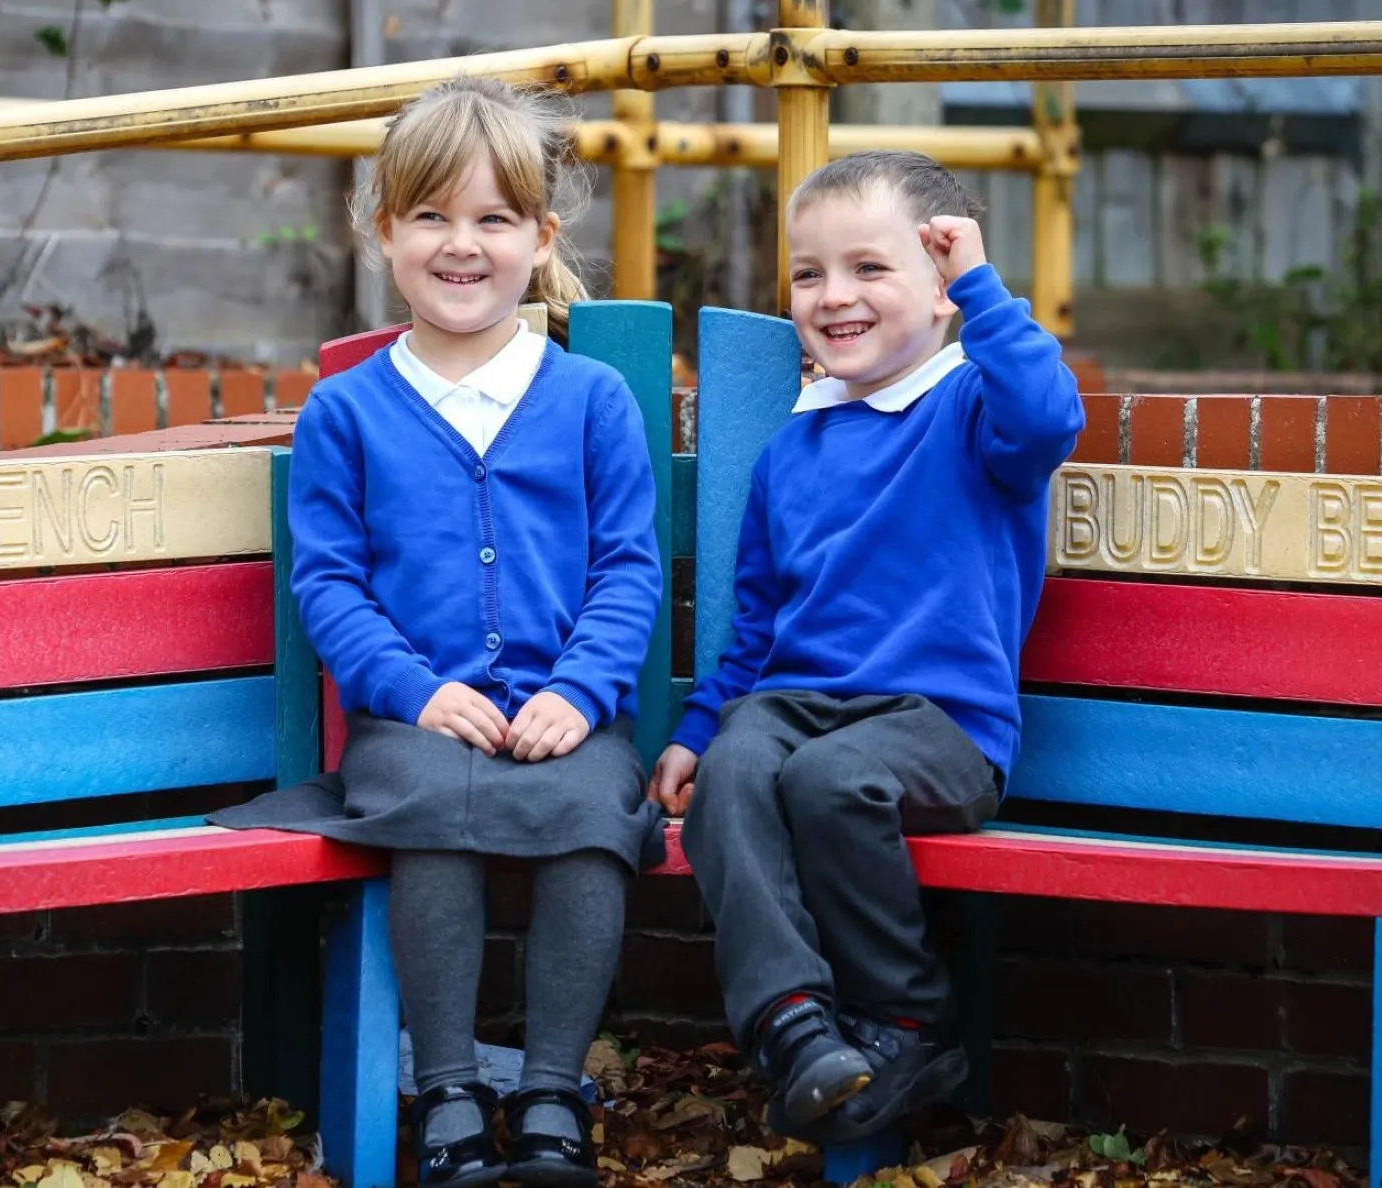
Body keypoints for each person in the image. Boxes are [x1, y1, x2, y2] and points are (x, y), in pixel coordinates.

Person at [210, 76, 665, 1188]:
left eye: (494, 220)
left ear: (541, 238)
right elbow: (330, 582)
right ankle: (451, 1089)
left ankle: (555, 1092)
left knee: (595, 815)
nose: (462, 246)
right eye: (432, 217)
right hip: (413, 717)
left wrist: (581, 690)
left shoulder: (594, 398)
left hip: (566, 713)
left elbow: (625, 570)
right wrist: (412, 691)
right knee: (429, 811)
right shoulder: (349, 411)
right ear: (384, 232)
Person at [646, 150, 1084, 1143]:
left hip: (942, 726)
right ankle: (792, 1021)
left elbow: (1049, 415)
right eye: (811, 274)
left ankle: (906, 1019)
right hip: (797, 710)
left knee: (831, 780)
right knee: (740, 760)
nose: (835, 295)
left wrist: (983, 286)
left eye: (870, 269)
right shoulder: (791, 452)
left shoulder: (973, 412)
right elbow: (756, 628)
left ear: (940, 290)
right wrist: (699, 730)